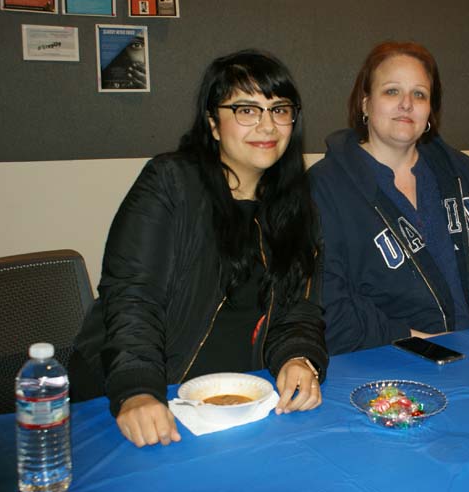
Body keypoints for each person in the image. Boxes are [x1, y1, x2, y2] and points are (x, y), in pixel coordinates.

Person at [70, 49, 328, 447]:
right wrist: (137, 388)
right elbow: (133, 298)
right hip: (149, 397)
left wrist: (298, 356)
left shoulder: (296, 206)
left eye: (279, 110)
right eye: (245, 109)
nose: (267, 124)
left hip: (239, 406)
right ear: (213, 123)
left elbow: (299, 310)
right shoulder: (170, 183)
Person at [309, 41, 469, 355]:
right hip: (387, 360)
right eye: (391, 91)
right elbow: (327, 305)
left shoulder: (465, 174)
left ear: (431, 110)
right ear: (364, 103)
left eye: (419, 94)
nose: (406, 104)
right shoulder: (324, 188)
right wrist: (422, 343)